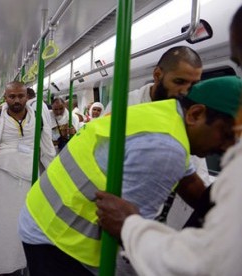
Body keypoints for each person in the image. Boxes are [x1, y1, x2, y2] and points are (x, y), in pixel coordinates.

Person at [18, 76, 241, 276]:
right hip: (57, 239)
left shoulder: (165, 113)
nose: (228, 148)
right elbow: (129, 241)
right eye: (227, 135)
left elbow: (189, 179)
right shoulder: (167, 149)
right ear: (195, 114)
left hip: (42, 212)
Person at [95, 7, 242, 275]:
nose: (185, 91)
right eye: (179, 82)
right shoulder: (125, 106)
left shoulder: (189, 116)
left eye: (192, 84)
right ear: (157, 76)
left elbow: (193, 163)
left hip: (167, 203)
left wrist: (209, 197)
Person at [0, 81, 56, 275]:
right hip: (4, 183)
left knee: (29, 225)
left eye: (20, 96)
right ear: (5, 98)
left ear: (27, 97)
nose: (16, 100)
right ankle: (0, 268)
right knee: (3, 228)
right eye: (12, 96)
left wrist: (56, 177)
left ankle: (25, 263)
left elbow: (47, 152)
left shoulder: (38, 120)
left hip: (30, 183)